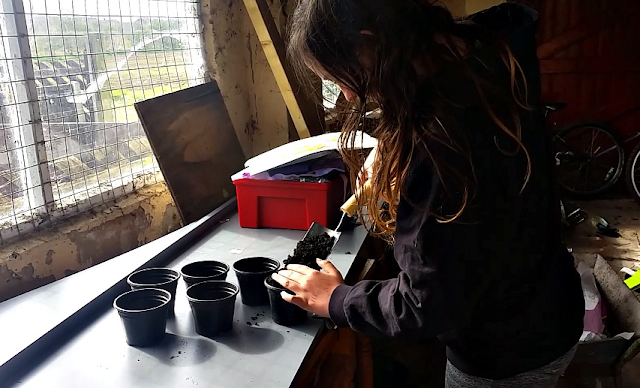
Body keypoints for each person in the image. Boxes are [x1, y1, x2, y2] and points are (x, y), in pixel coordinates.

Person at [271, 1, 585, 387]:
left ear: (370, 46)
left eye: (342, 78)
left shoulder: (444, 144)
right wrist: (392, 143)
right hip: (547, 299)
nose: (349, 97)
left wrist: (336, 299)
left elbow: (426, 303)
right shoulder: (487, 51)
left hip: (507, 348)